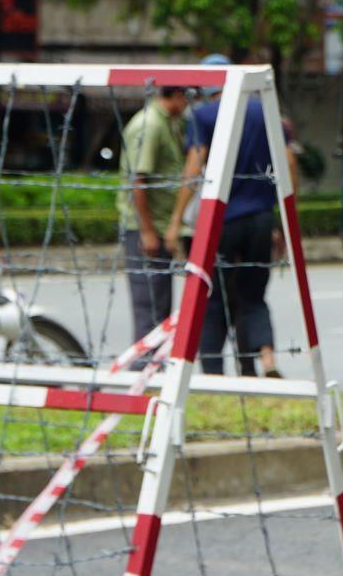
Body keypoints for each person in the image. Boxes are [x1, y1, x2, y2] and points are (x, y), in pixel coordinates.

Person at [167, 54, 295, 377]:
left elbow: (194, 168)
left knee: (212, 298)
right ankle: (262, 363)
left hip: (220, 221)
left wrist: (176, 219)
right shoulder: (264, 111)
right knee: (253, 295)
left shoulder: (203, 116)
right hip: (261, 218)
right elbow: (288, 164)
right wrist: (280, 219)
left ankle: (212, 371)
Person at [118, 84, 190, 346]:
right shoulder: (150, 125)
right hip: (146, 229)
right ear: (177, 95)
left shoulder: (167, 124)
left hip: (158, 226)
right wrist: (147, 231)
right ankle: (145, 372)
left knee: (160, 310)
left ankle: (155, 373)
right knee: (149, 311)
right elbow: (138, 180)